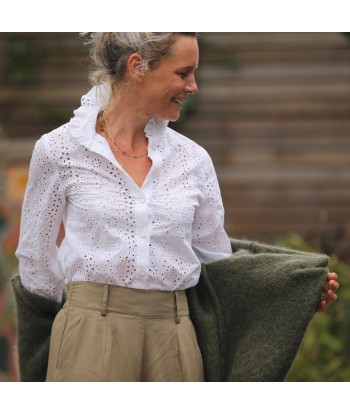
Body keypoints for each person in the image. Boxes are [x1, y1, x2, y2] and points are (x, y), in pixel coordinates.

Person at [15, 32, 338, 382]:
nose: (193, 86)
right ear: (138, 67)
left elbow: (217, 263)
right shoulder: (59, 150)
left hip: (175, 337)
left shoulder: (193, 160)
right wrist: (45, 345)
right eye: (183, 73)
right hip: (89, 333)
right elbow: (36, 261)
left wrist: (294, 289)